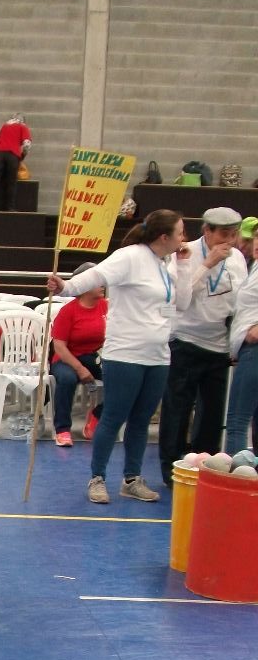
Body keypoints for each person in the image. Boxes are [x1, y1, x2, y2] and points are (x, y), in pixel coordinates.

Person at [48, 209, 192, 505]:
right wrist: (65, 287)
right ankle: (97, 478)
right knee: (114, 416)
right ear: (164, 237)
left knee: (141, 420)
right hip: (125, 353)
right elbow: (96, 275)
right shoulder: (130, 256)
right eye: (180, 233)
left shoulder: (169, 263)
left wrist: (185, 265)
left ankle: (131, 479)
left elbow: (183, 302)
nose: (184, 238)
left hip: (158, 355)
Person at [158, 206, 248, 485]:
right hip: (186, 341)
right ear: (207, 231)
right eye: (223, 234)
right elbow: (177, 297)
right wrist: (207, 264)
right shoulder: (185, 253)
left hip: (219, 347)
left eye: (233, 235)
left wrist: (236, 341)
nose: (229, 241)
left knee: (211, 415)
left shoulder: (237, 259)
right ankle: (172, 470)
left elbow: (241, 301)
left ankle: (205, 469)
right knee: (178, 410)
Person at [49, 282, 107, 447]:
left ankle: (97, 416)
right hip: (66, 358)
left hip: (94, 356)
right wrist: (80, 369)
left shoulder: (106, 307)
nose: (103, 285)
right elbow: (59, 347)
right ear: (84, 287)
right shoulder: (68, 311)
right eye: (97, 283)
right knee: (67, 379)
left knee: (123, 380)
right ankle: (62, 430)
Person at [225, 223, 258, 455]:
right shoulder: (254, 267)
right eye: (256, 238)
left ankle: (236, 474)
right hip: (247, 349)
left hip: (254, 350)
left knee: (237, 419)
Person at [0, 113, 31, 211]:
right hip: (12, 155)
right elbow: (27, 145)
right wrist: (22, 156)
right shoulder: (23, 126)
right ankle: (10, 208)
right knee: (11, 182)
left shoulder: (4, 126)